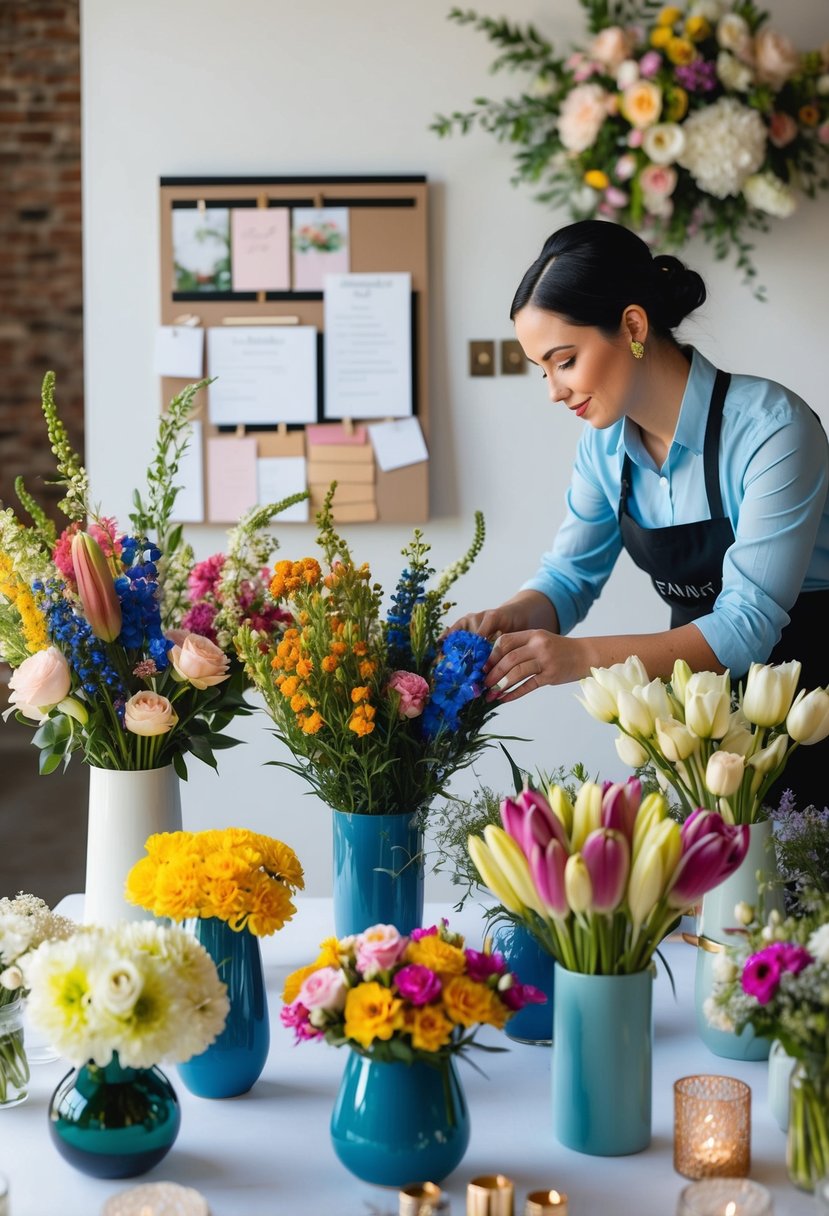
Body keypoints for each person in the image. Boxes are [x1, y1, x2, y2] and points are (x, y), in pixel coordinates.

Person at [454, 220, 829, 808]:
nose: (553, 390)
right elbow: (569, 579)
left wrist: (578, 659)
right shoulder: (603, 447)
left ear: (632, 326)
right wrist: (507, 618)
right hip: (690, 722)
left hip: (807, 705)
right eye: (542, 369)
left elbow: (746, 625)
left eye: (565, 360)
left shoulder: (772, 430)